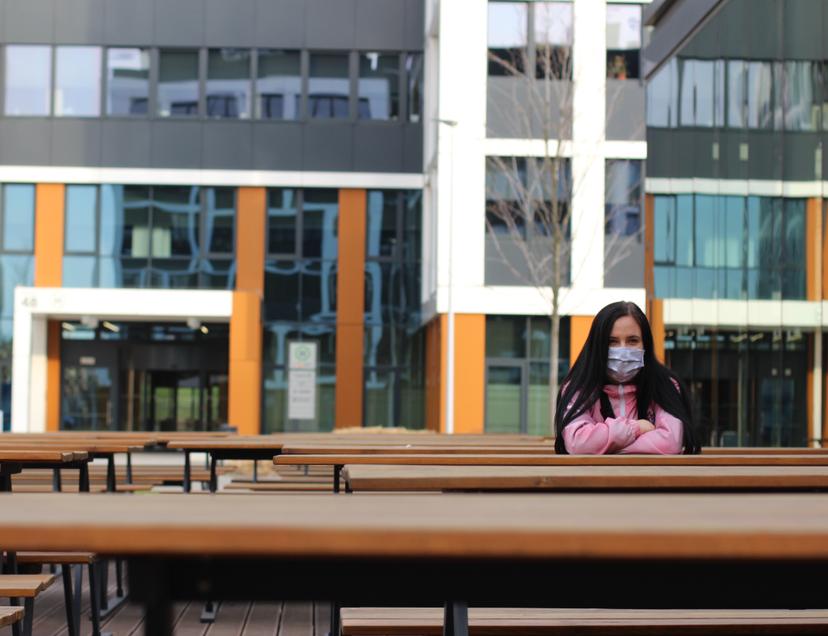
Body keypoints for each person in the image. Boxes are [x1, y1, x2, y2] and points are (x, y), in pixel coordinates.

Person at [554, 301, 700, 455]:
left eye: (632, 340)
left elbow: (670, 443)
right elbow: (579, 443)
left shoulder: (665, 386)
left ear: (646, 345)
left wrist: (605, 448)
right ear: (598, 345)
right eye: (612, 342)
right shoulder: (579, 388)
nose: (622, 349)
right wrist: (636, 428)